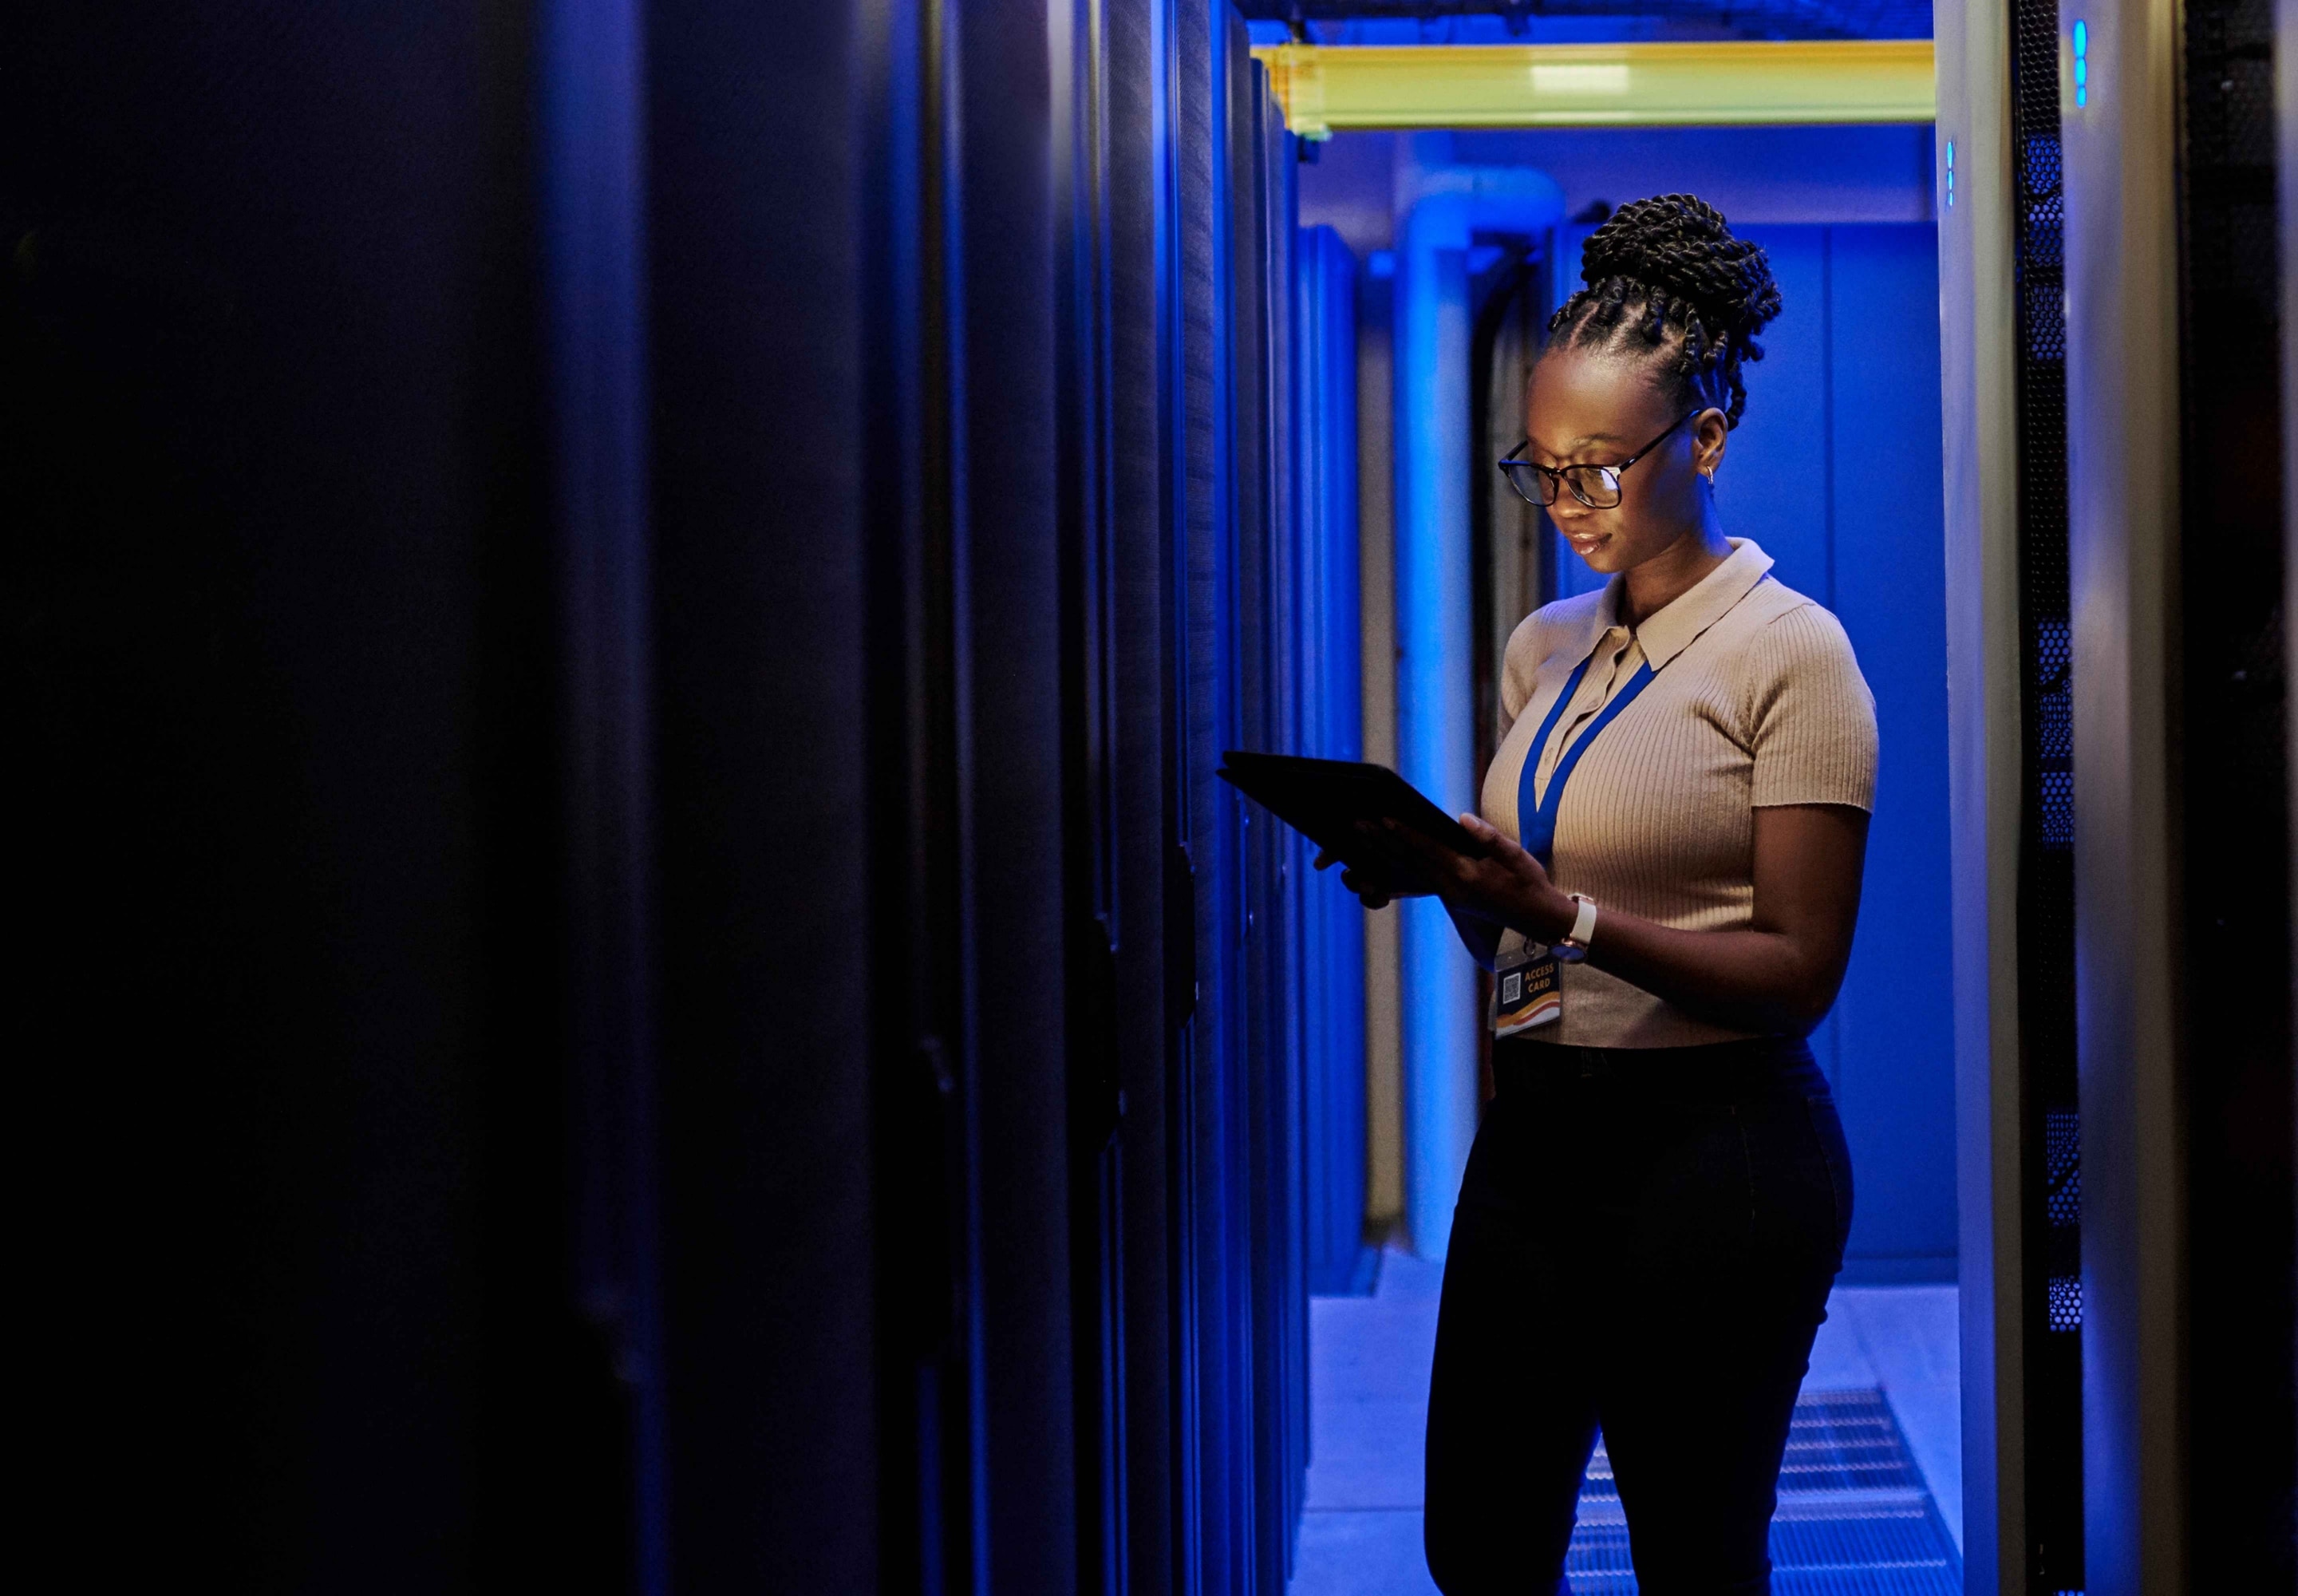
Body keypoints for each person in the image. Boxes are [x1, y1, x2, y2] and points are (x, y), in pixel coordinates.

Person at [1325, 194, 1876, 1594]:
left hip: (1718, 1159)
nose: (1570, 504)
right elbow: (1525, 928)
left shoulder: (1792, 657)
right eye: (1543, 470)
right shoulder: (1544, 647)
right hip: (1540, 1145)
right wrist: (1451, 880)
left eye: (1602, 471)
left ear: (1704, 438)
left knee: (1694, 1554)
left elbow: (1799, 971)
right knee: (1481, 1547)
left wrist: (1561, 911)